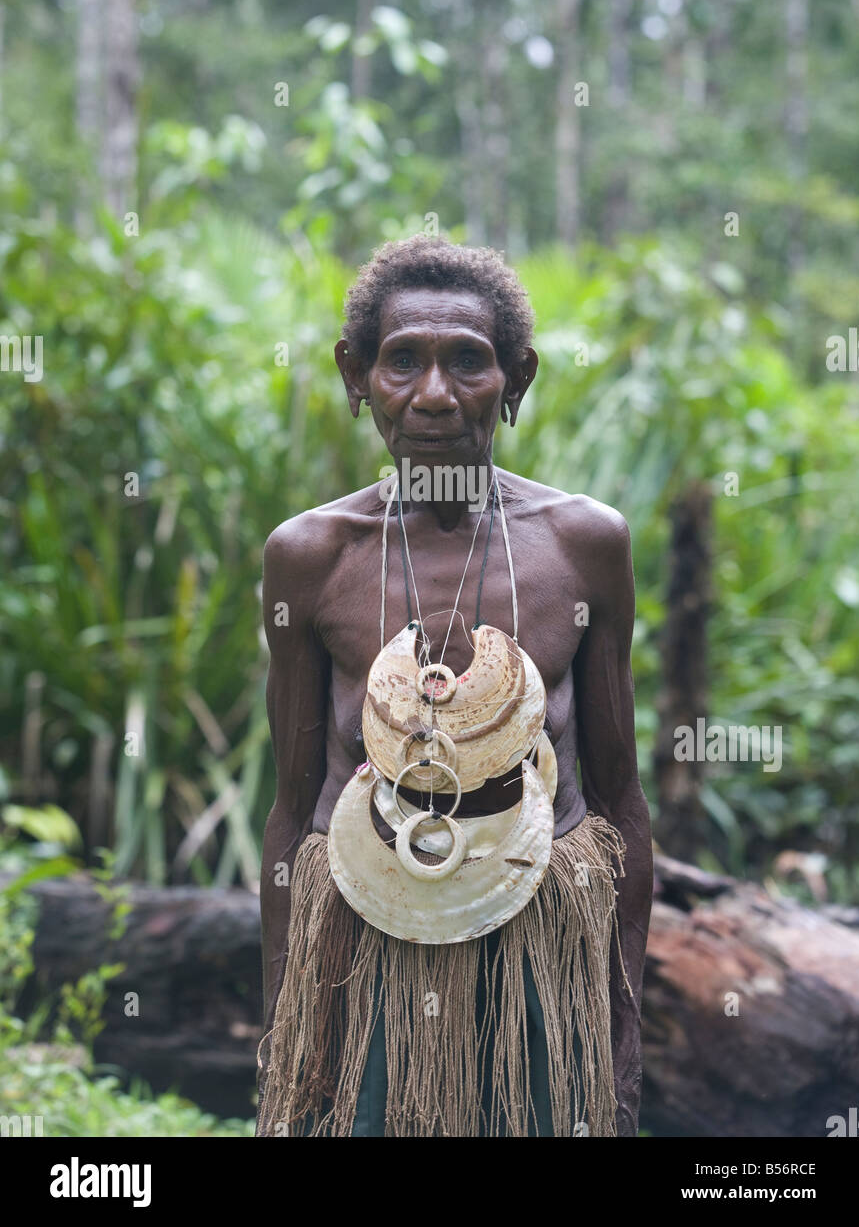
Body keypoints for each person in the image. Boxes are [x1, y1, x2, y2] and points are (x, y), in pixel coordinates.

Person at [256, 235, 653, 1137]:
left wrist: (620, 1023)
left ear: (517, 379)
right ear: (356, 376)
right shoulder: (311, 556)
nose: (434, 394)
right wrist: (286, 1022)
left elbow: (621, 799)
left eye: (467, 362)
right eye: (404, 361)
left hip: (543, 939)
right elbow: (290, 806)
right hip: (361, 937)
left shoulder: (584, 544)